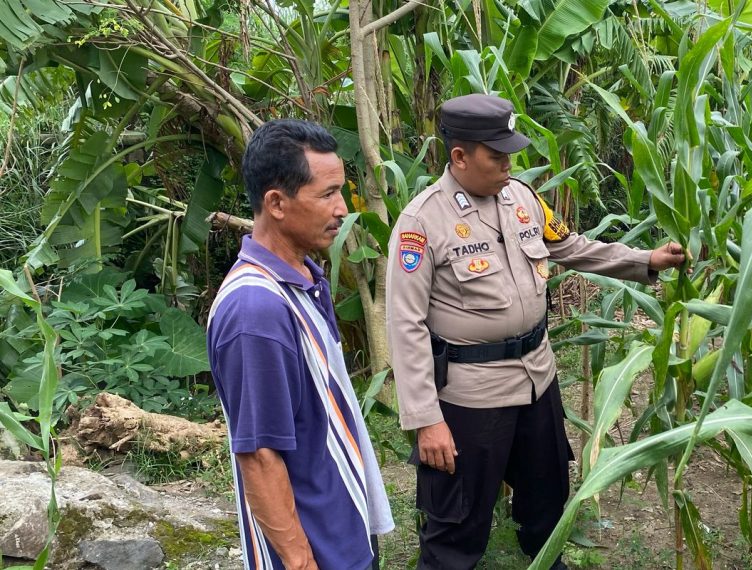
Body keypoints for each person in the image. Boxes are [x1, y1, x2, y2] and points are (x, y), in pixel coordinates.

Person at [386, 94, 687, 569]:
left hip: (537, 379)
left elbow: (571, 246)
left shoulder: (522, 198)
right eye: (497, 154)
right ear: (460, 156)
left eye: (510, 153)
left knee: (547, 491)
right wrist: (426, 419)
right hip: (473, 395)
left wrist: (644, 261)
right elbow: (404, 325)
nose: (509, 163)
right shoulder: (422, 223)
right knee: (457, 518)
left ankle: (544, 559)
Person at [207, 119, 394, 570]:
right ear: (276, 203)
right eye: (327, 194)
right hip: (313, 548)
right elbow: (258, 453)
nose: (341, 208)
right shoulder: (256, 310)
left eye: (342, 191)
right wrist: (299, 560)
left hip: (338, 524)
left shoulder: (306, 279)